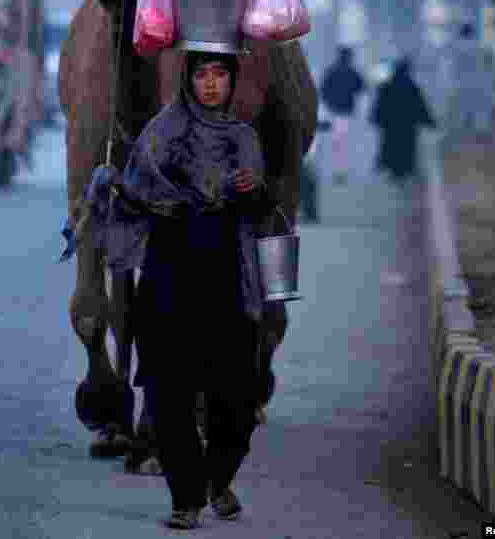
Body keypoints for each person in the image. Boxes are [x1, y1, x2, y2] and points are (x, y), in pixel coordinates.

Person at [78, 49, 274, 529]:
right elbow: (136, 194)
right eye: (201, 74)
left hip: (228, 280)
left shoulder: (244, 139)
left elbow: (261, 213)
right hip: (168, 280)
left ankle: (217, 479)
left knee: (238, 401)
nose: (210, 84)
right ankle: (185, 498)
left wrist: (252, 192)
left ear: (232, 81)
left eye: (220, 75)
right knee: (169, 396)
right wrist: (111, 188)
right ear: (187, 80)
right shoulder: (161, 133)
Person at [370, 57, 436, 183]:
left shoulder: (387, 86)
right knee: (407, 148)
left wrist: (375, 118)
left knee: (390, 146)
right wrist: (430, 122)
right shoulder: (412, 86)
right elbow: (420, 106)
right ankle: (403, 171)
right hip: (407, 126)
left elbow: (380, 104)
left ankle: (393, 170)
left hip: (390, 125)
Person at [320, 46, 365, 184]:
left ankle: (338, 171)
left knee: (337, 143)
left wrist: (329, 102)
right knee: (343, 143)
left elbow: (323, 89)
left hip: (333, 111)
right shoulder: (352, 72)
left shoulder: (331, 71)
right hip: (346, 111)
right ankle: (341, 171)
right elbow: (361, 87)